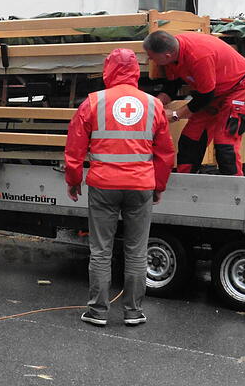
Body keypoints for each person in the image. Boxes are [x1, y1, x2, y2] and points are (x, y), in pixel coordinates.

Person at [65, 48, 175, 326]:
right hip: (140, 187)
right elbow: (164, 153)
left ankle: (98, 311)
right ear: (136, 71)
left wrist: (73, 180)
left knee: (101, 250)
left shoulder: (93, 102)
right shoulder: (153, 105)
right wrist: (159, 185)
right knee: (137, 251)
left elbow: (75, 146)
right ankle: (133, 312)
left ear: (108, 69)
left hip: (104, 186)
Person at [143, 30, 245, 176]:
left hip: (238, 87)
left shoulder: (199, 56)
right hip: (213, 92)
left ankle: (235, 193)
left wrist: (175, 115)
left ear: (167, 55)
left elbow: (204, 98)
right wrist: (156, 105)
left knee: (225, 144)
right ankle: (187, 185)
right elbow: (172, 86)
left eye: (151, 56)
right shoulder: (173, 53)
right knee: (190, 139)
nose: (149, 60)